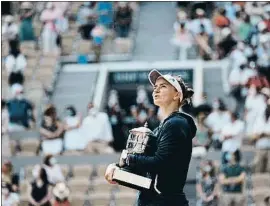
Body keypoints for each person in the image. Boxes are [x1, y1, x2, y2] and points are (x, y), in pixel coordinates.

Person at [105, 69, 197, 206]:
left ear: (177, 94)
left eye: (163, 86)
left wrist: (128, 159)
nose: (156, 90)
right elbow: (148, 178)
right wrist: (118, 172)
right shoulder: (162, 127)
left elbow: (160, 164)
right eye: (155, 87)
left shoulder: (176, 124)